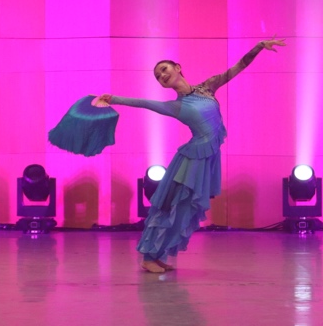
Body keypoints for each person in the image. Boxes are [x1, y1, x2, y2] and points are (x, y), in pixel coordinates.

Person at [94, 37, 286, 273]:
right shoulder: (175, 106)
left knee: (184, 212)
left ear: (178, 67)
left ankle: (157, 255)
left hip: (207, 158)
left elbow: (238, 67)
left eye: (164, 69)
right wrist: (112, 99)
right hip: (191, 161)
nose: (162, 75)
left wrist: (259, 47)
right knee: (172, 207)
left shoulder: (208, 87)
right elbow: (143, 103)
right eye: (158, 76)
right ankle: (148, 256)